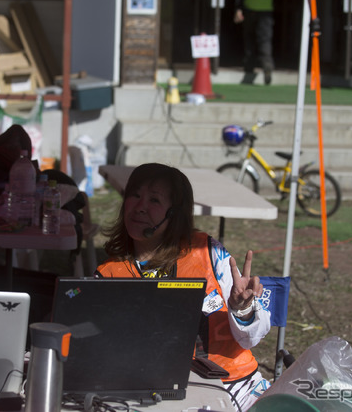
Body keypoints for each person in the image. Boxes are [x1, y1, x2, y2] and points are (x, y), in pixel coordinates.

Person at [94, 163, 271, 411]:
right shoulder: (109, 274)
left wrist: (243, 310)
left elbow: (252, 338)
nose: (139, 206)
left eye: (154, 200)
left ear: (174, 214)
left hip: (240, 387)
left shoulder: (208, 252)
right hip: (167, 396)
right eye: (134, 195)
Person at [234, 0, 275, 85]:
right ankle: (267, 65)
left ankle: (249, 66)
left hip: (250, 9)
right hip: (265, 9)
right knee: (264, 39)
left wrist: (238, 9)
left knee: (249, 38)